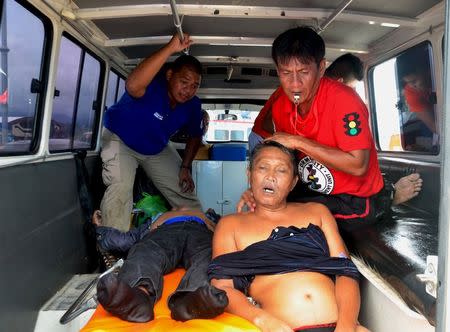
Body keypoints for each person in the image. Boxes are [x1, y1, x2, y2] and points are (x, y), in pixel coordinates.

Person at [209, 141, 368, 332]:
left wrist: (347, 326)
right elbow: (223, 287)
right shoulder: (230, 225)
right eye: (262, 167)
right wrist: (261, 319)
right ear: (249, 175)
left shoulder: (318, 212)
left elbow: (346, 271)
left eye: (281, 170)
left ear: (293, 182)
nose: (271, 176)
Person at [247, 51, 422, 207]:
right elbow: (272, 131)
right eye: (286, 73)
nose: (295, 83)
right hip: (268, 141)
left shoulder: (342, 101)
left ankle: (384, 200)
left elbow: (357, 164)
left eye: (304, 72)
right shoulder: (288, 99)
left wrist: (296, 141)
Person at [100, 33, 203, 231]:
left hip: (156, 147)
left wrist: (185, 168)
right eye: (184, 82)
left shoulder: (193, 105)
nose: (188, 90)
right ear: (170, 75)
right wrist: (171, 48)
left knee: (184, 191)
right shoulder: (151, 84)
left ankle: (200, 234)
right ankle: (114, 247)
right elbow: (132, 86)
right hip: (120, 139)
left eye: (194, 86)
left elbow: (195, 135)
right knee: (120, 189)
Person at [94, 207, 228, 323]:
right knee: (144, 250)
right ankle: (140, 296)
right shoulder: (155, 218)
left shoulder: (211, 216)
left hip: (200, 232)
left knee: (211, 255)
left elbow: (232, 231)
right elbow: (124, 241)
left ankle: (189, 301)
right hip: (164, 232)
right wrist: (100, 229)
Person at [396, 50, 437, 152]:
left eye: (414, 81)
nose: (413, 85)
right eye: (409, 83)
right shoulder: (410, 92)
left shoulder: (439, 72)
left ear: (425, 70)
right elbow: (434, 126)